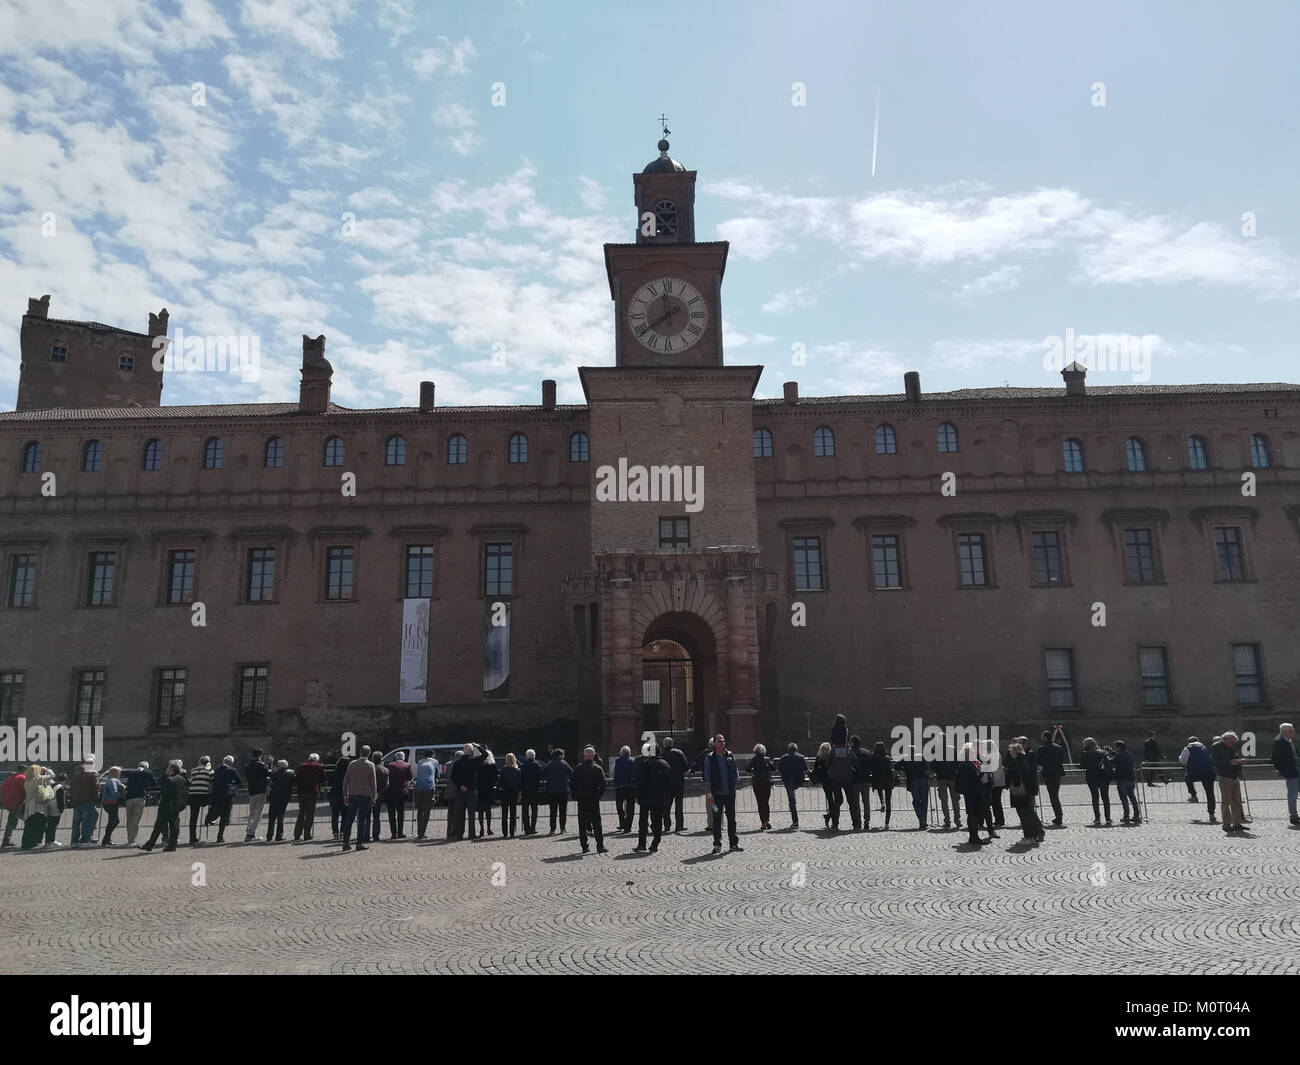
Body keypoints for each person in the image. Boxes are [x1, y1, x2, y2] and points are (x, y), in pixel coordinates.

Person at [702, 733, 742, 854]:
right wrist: (709, 793)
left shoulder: (730, 755)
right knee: (716, 819)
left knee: (732, 818)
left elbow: (735, 771)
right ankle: (717, 844)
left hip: (729, 793)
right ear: (714, 743)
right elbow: (707, 775)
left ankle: (733, 843)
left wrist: (734, 785)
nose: (722, 743)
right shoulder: (709, 758)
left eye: (723, 741)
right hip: (716, 795)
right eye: (719, 741)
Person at [141, 760, 187, 852]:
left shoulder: (168, 780)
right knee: (174, 827)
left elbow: (164, 793)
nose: (166, 769)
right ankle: (172, 846)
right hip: (176, 807)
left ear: (172, 769)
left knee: (158, 826)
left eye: (168, 767)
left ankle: (149, 845)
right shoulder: (182, 779)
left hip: (166, 806)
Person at [633, 746, 671, 852]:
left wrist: (637, 795)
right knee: (658, 821)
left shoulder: (644, 763)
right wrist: (667, 796)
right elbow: (669, 782)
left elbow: (639, 781)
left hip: (645, 797)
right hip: (659, 797)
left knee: (643, 821)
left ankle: (642, 844)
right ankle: (655, 844)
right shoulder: (664, 764)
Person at [956, 743, 995, 846]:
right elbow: (973, 779)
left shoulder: (972, 763)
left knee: (974, 815)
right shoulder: (966, 764)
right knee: (973, 815)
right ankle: (973, 837)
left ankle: (974, 836)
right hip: (972, 792)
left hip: (975, 792)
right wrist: (982, 773)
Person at [571, 746, 607, 854]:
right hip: (593, 799)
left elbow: (572, 783)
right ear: (593, 756)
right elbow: (604, 784)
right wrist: (598, 795)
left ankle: (584, 846)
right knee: (597, 822)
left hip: (582, 799)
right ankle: (600, 845)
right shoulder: (597, 768)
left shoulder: (578, 768)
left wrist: (576, 796)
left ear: (584, 755)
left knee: (582, 823)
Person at [1005, 743, 1044, 844]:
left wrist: (1008, 782)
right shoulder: (1024, 759)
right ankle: (1036, 833)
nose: (1010, 753)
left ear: (1015, 752)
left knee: (1024, 815)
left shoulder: (1015, 762)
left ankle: (1029, 836)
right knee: (1030, 813)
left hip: (1020, 792)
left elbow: (1014, 777)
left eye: (1011, 751)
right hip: (1027, 791)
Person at [340, 750, 376, 851]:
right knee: (362, 820)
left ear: (360, 753)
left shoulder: (352, 763)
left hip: (353, 795)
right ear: (369, 754)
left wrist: (345, 795)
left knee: (349, 819)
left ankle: (345, 842)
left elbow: (346, 780)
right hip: (365, 795)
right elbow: (373, 782)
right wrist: (374, 796)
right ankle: (359, 843)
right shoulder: (370, 765)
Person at [1211, 732, 1246, 833]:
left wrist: (1239, 762)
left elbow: (1233, 759)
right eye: (1231, 742)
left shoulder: (1231, 747)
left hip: (1234, 776)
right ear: (1225, 740)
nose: (1233, 744)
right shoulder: (1216, 747)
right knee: (1225, 801)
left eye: (1234, 742)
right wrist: (1229, 762)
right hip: (1225, 776)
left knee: (1236, 801)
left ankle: (1237, 823)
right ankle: (1226, 824)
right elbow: (1215, 762)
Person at [1179, 737, 1217, 822]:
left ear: (1189, 742)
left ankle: (1193, 795)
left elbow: (1182, 760)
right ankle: (1212, 814)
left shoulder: (1187, 748)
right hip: (1209, 773)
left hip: (1195, 772)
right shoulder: (1204, 748)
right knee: (1210, 794)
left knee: (1187, 778)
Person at [23, 764, 61, 849]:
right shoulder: (37, 779)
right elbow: (52, 775)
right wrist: (46, 769)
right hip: (37, 806)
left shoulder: (27, 781)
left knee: (29, 826)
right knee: (38, 826)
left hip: (29, 806)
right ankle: (36, 842)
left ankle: (26, 843)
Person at [205, 755, 240, 843]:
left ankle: (209, 817)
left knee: (215, 810)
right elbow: (239, 782)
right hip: (226, 796)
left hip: (216, 795)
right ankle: (220, 836)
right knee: (224, 817)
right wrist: (232, 784)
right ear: (231, 763)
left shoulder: (217, 770)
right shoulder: (232, 770)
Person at [291, 753, 326, 841]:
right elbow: (323, 779)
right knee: (310, 814)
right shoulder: (318, 766)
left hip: (302, 792)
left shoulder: (301, 766)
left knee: (301, 813)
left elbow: (296, 779)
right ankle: (307, 834)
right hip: (312, 791)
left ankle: (297, 834)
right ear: (316, 759)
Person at [448, 744, 480, 840]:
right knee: (471, 815)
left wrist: (460, 785)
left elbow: (453, 777)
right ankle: (471, 834)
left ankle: (459, 834)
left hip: (460, 791)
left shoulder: (457, 763)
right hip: (471, 790)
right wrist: (478, 746)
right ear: (471, 751)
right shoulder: (474, 761)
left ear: (463, 751)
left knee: (459, 814)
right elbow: (486, 754)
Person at [1271, 723, 1299, 826]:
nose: (1293, 732)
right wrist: (1280, 770)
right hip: (1291, 772)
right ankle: (1293, 816)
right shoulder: (1279, 742)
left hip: (1297, 770)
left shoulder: (1291, 741)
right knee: (1292, 794)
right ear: (1284, 732)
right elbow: (1275, 758)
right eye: (1291, 731)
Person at [1038, 727, 1067, 826]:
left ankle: (1059, 816)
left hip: (1048, 774)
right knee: (1055, 795)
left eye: (1042, 736)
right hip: (1057, 773)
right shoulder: (1058, 747)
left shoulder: (1042, 748)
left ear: (1045, 737)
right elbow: (1062, 760)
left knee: (1053, 795)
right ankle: (1059, 815)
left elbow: (1040, 762)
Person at [1080, 737, 1112, 826]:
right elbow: (1108, 764)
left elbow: (1082, 765)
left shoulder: (1085, 753)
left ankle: (1097, 818)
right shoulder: (1103, 753)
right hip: (1103, 777)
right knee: (1105, 798)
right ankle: (1108, 818)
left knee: (1095, 798)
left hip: (1092, 778)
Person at [68, 757, 99, 847]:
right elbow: (95, 787)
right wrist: (96, 798)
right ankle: (85, 841)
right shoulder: (92, 773)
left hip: (76, 801)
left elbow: (71, 787)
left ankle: (74, 841)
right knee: (87, 822)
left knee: (76, 823)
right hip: (88, 800)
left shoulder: (75, 773)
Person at [122, 761, 155, 847]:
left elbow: (128, 783)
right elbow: (153, 783)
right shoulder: (148, 772)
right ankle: (132, 840)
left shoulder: (131, 772)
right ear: (146, 767)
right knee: (136, 820)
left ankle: (129, 838)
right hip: (140, 797)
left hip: (129, 798)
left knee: (129, 819)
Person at [828, 739, 859, 830]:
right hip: (848, 778)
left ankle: (835, 824)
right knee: (851, 802)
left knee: (837, 802)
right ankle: (855, 823)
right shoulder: (849, 751)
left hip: (836, 778)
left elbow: (828, 764)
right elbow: (856, 764)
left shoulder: (833, 751)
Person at [661, 736, 689, 831]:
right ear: (672, 744)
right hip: (678, 783)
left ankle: (667, 825)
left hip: (666, 784)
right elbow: (686, 766)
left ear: (664, 744)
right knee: (679, 805)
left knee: (666, 806)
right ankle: (679, 825)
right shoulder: (679, 753)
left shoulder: (661, 754)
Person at [865, 742, 894, 830]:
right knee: (889, 802)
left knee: (880, 792)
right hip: (888, 780)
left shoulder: (873, 757)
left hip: (878, 780)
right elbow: (890, 768)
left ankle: (882, 802)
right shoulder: (887, 757)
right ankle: (887, 823)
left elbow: (869, 768)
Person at [544, 748, 573, 835]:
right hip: (563, 790)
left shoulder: (549, 764)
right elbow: (572, 773)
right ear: (560, 755)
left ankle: (552, 829)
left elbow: (544, 773)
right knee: (562, 811)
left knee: (553, 810)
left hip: (552, 790)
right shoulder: (564, 763)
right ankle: (562, 828)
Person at [779, 742, 808, 828]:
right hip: (798, 780)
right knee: (792, 800)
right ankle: (794, 817)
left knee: (792, 801)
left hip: (788, 781)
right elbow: (805, 768)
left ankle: (795, 822)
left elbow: (780, 769)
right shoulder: (801, 757)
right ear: (796, 749)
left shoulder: (783, 758)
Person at [187, 755, 213, 845]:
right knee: (214, 804)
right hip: (203, 795)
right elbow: (212, 781)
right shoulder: (210, 771)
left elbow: (190, 781)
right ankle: (209, 819)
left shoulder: (194, 770)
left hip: (192, 795)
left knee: (193, 817)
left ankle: (192, 837)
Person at [244, 750, 270, 842]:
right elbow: (269, 773)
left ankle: (248, 831)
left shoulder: (247, 766)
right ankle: (250, 834)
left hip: (251, 791)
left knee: (252, 813)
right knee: (257, 814)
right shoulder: (261, 765)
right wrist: (269, 764)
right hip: (260, 791)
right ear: (260, 755)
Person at [266, 759, 295, 841]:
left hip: (274, 797)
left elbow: (270, 783)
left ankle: (269, 835)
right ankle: (279, 835)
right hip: (284, 798)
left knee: (271, 817)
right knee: (280, 817)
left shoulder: (273, 774)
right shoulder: (290, 774)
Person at [1112, 739, 1140, 824]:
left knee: (1124, 799)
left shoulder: (1120, 755)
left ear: (1119, 747)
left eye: (1116, 747)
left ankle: (1126, 817)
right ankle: (1136, 816)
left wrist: (1104, 756)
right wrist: (1113, 752)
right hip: (1131, 779)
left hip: (1122, 780)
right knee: (1133, 798)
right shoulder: (1129, 754)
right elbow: (1118, 756)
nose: (1115, 749)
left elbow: (1112, 761)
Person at [749, 744, 776, 830]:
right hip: (766, 783)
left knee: (760, 803)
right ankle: (767, 820)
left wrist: (754, 769)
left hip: (757, 783)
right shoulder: (767, 759)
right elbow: (773, 768)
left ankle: (763, 822)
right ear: (764, 751)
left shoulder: (753, 759)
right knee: (766, 802)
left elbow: (747, 769)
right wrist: (767, 768)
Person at [901, 747, 930, 829]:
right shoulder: (920, 756)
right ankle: (923, 820)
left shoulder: (905, 758)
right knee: (924, 801)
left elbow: (896, 766)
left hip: (913, 781)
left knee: (916, 801)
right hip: (923, 780)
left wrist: (905, 768)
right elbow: (926, 768)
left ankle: (922, 819)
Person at [932, 747, 960, 830]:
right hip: (952, 777)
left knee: (944, 801)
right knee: (955, 800)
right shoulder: (953, 749)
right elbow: (957, 763)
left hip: (941, 778)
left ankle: (947, 821)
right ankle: (957, 821)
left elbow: (934, 765)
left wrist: (938, 771)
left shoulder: (937, 750)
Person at [386, 750, 412, 839]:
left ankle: (393, 834)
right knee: (401, 813)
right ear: (403, 758)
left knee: (391, 814)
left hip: (391, 792)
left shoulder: (390, 766)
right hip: (402, 792)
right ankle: (400, 833)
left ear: (395, 757)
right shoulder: (407, 766)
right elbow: (409, 779)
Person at [414, 750, 439, 839]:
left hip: (419, 787)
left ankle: (419, 832)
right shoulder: (435, 761)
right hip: (429, 787)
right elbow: (437, 774)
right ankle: (422, 832)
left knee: (420, 810)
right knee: (427, 810)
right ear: (432, 755)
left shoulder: (420, 762)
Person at [848, 735, 871, 831]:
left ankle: (858, 822)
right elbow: (870, 766)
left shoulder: (849, 752)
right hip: (865, 780)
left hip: (854, 780)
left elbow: (848, 765)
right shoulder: (866, 752)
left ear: (852, 742)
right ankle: (867, 822)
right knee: (866, 802)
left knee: (856, 803)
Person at [1, 764, 26, 848]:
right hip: (17, 803)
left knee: (12, 820)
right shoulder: (21, 778)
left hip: (8, 803)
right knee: (14, 821)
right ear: (24, 771)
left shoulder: (9, 778)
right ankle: (6, 840)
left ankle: (7, 839)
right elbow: (25, 790)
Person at [982, 740, 1006, 828]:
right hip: (996, 781)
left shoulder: (993, 755)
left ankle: (999, 820)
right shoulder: (996, 754)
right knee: (995, 802)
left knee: (996, 802)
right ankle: (999, 820)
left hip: (994, 782)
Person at [520, 749, 544, 835]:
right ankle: (532, 828)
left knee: (525, 809)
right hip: (534, 789)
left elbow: (520, 778)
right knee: (534, 809)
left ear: (526, 756)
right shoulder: (536, 764)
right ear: (534, 756)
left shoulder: (523, 765)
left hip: (525, 789)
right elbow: (542, 773)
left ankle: (527, 829)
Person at [613, 746, 637, 833]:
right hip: (630, 786)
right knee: (630, 807)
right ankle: (628, 827)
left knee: (619, 806)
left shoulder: (617, 761)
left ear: (621, 752)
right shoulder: (633, 761)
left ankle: (622, 823)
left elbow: (614, 773)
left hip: (619, 786)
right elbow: (635, 773)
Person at [476, 748, 498, 837]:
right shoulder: (492, 765)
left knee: (480, 811)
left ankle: (481, 829)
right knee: (488, 810)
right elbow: (496, 776)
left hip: (480, 789)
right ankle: (489, 829)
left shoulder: (479, 765)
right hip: (489, 789)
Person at [812, 742, 835, 828]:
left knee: (830, 800)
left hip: (825, 781)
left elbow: (815, 769)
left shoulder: (819, 758)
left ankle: (829, 817)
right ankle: (831, 818)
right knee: (836, 800)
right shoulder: (832, 757)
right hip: (833, 780)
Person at [328, 752, 350, 839]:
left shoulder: (335, 772)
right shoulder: (347, 773)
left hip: (333, 794)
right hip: (344, 794)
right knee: (345, 814)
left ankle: (335, 832)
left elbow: (330, 782)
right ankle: (343, 831)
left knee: (335, 815)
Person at [499, 753, 522, 838]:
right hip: (514, 793)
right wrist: (519, 794)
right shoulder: (518, 771)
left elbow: (500, 783)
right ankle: (512, 832)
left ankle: (505, 832)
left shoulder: (503, 770)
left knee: (504, 814)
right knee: (513, 813)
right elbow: (520, 784)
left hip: (505, 792)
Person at [99, 766, 123, 847]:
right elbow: (114, 792)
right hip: (111, 803)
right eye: (118, 772)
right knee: (113, 821)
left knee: (114, 821)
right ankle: (105, 839)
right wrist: (123, 795)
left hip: (109, 803)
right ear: (114, 773)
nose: (120, 773)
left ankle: (107, 839)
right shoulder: (112, 781)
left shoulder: (112, 780)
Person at [369, 752, 390, 842]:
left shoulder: (369, 768)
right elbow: (387, 785)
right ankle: (376, 835)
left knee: (366, 816)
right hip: (379, 796)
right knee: (376, 816)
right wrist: (378, 793)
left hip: (368, 794)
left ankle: (365, 835)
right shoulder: (385, 770)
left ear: (373, 758)